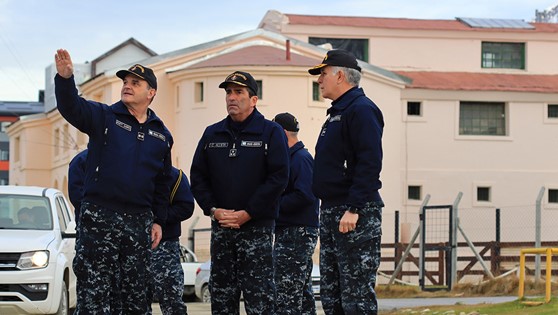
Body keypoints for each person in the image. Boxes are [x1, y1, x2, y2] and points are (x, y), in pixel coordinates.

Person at [55, 49, 173, 314]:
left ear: (151, 92)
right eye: (125, 82)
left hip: (138, 222)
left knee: (136, 296)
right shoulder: (105, 117)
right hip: (100, 218)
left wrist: (158, 220)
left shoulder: (161, 135)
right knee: (93, 294)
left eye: (135, 83)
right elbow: (72, 107)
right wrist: (65, 80)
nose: (127, 87)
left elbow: (163, 182)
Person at [190, 71, 290, 314]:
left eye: (238, 92)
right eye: (228, 93)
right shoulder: (212, 134)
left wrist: (249, 212)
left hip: (256, 229)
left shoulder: (270, 132)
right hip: (222, 230)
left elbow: (278, 178)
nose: (231, 98)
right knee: (222, 298)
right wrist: (213, 210)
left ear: (253, 99)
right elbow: (198, 177)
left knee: (260, 299)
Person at [68, 150, 195, 315]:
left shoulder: (173, 176)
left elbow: (185, 206)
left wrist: (155, 220)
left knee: (166, 300)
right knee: (102, 299)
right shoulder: (84, 162)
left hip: (162, 245)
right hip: (102, 242)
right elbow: (79, 197)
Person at [308, 49, 385, 315]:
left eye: (323, 74)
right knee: (332, 294)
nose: (319, 80)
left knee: (356, 296)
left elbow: (369, 162)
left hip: (352, 213)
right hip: (332, 210)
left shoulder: (361, 110)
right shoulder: (337, 112)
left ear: (340, 75)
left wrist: (354, 208)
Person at [272, 112, 320, 315]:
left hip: (297, 232)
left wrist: (272, 206)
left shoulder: (301, 159)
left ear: (282, 133)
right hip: (291, 231)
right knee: (301, 291)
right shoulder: (291, 159)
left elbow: (305, 195)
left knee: (287, 292)